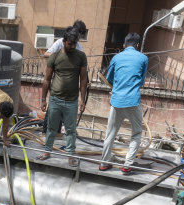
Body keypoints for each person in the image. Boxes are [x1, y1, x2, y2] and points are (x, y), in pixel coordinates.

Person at [38, 26, 88, 167]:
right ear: (64, 41)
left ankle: (70, 156)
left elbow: (83, 80)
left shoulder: (80, 56)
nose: (72, 46)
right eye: (70, 44)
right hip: (55, 99)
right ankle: (47, 151)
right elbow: (47, 79)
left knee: (71, 130)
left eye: (74, 44)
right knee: (51, 128)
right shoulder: (54, 56)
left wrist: (82, 100)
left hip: (71, 102)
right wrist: (43, 99)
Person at [99, 33, 148, 174]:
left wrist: (117, 88)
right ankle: (127, 165)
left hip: (117, 101)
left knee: (110, 134)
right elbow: (142, 81)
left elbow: (109, 78)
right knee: (137, 133)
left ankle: (104, 163)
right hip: (133, 101)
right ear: (137, 46)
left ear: (124, 45)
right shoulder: (143, 58)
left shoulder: (116, 57)